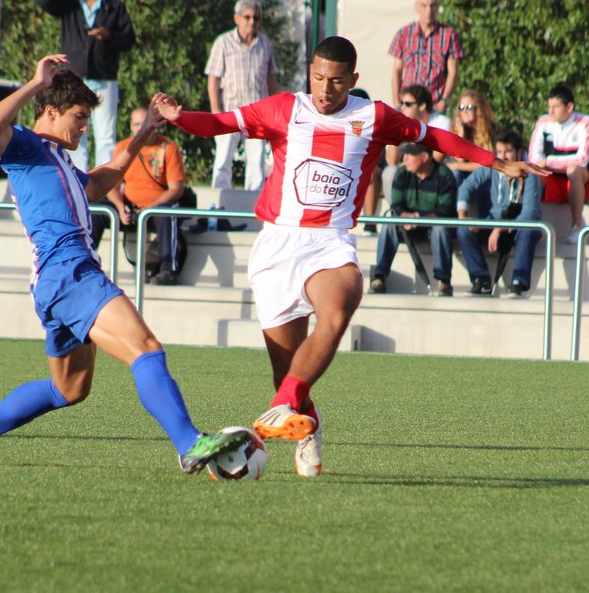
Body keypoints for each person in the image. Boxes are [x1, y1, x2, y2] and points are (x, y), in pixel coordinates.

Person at [154, 36, 546, 478]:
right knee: (287, 370)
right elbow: (219, 123)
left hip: (330, 242)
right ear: (310, 73)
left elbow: (434, 135)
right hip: (278, 246)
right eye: (318, 78)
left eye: (337, 81)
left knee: (338, 307)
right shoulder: (284, 108)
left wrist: (496, 163)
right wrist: (180, 117)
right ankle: (306, 421)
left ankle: (283, 405)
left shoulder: (374, 116)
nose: (325, 89)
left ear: (353, 79)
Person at [0, 54, 246, 473]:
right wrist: (36, 83)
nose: (85, 127)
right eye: (79, 117)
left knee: (69, 388)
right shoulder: (26, 145)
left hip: (53, 282)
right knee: (146, 348)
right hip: (71, 272)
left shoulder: (58, 159)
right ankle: (189, 443)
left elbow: (101, 182)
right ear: (51, 112)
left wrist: (144, 132)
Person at [35, 0, 136, 171]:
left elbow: (129, 39)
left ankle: (103, 181)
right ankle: (77, 177)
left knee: (105, 136)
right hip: (74, 79)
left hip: (104, 78)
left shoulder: (113, 5)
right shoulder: (69, 2)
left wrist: (108, 36)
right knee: (73, 130)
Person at [105, 106, 187, 285]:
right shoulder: (123, 147)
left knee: (166, 212)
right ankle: (84, 265)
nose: (139, 129)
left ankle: (168, 271)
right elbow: (111, 186)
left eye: (143, 124)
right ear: (131, 127)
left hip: (156, 208)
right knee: (101, 210)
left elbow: (176, 189)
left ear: (153, 125)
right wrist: (120, 207)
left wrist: (151, 207)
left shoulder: (168, 148)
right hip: (129, 208)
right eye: (136, 125)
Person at [456, 129, 543, 297]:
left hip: (518, 226)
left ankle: (518, 283)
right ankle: (481, 281)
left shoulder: (530, 175)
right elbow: (465, 188)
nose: (503, 156)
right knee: (463, 230)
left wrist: (499, 229)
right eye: (499, 152)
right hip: (493, 224)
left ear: (519, 152)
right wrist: (462, 216)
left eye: (508, 151)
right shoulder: (490, 169)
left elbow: (529, 214)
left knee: (528, 230)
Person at [204, 0, 279, 190]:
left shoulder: (265, 44)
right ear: (237, 18)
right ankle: (219, 203)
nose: (252, 22)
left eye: (256, 18)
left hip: (257, 113)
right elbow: (213, 78)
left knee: (256, 163)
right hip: (230, 111)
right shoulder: (224, 42)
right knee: (223, 160)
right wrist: (215, 110)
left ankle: (253, 203)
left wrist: (275, 110)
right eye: (247, 17)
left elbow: (271, 78)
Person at [368, 142, 458, 297]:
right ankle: (379, 278)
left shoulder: (445, 175)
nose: (405, 159)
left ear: (424, 157)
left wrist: (419, 219)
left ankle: (444, 282)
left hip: (434, 226)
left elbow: (445, 210)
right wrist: (405, 216)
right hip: (408, 225)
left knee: (441, 228)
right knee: (389, 224)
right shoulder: (402, 173)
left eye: (410, 155)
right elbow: (396, 204)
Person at [361, 84, 450, 236]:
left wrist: (412, 161)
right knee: (390, 172)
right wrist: (398, 131)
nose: (402, 107)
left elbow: (436, 158)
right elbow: (391, 160)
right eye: (402, 103)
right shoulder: (402, 122)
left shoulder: (440, 121)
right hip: (410, 170)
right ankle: (398, 216)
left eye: (407, 104)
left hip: (434, 173)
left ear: (422, 106)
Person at [528, 84, 589, 244]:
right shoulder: (543, 122)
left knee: (574, 170)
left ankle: (576, 228)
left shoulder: (585, 122)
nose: (550, 111)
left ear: (569, 107)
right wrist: (545, 163)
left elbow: (582, 160)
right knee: (533, 172)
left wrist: (548, 161)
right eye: (549, 106)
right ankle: (531, 225)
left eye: (555, 107)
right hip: (553, 181)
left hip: (582, 183)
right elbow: (534, 159)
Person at [388, 0, 463, 112]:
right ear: (417, 7)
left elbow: (453, 72)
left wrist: (445, 100)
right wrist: (397, 102)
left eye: (432, 6)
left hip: (435, 105)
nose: (428, 11)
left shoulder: (449, 35)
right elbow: (397, 70)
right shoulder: (404, 34)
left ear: (438, 7)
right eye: (424, 6)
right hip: (408, 106)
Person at [448, 89, 499, 186]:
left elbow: (487, 164)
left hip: (485, 175)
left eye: (469, 107)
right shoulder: (458, 129)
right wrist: (461, 135)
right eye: (461, 107)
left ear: (479, 109)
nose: (464, 111)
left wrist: (458, 166)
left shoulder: (491, 130)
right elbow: (459, 159)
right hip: (465, 175)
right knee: (456, 174)